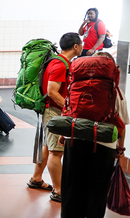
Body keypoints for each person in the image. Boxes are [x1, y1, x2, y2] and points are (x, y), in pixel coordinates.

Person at [60, 52, 127, 218]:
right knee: (97, 190)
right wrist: (120, 147)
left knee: (71, 187)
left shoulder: (77, 85)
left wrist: (64, 135)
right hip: (104, 146)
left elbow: (69, 111)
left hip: (74, 141)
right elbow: (122, 124)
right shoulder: (115, 92)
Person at [28, 32, 82, 203]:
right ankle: (59, 191)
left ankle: (36, 178)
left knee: (47, 146)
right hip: (54, 111)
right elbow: (52, 92)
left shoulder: (60, 62)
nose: (81, 47)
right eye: (80, 44)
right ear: (75, 46)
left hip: (52, 110)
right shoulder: (59, 65)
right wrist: (70, 108)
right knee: (56, 152)